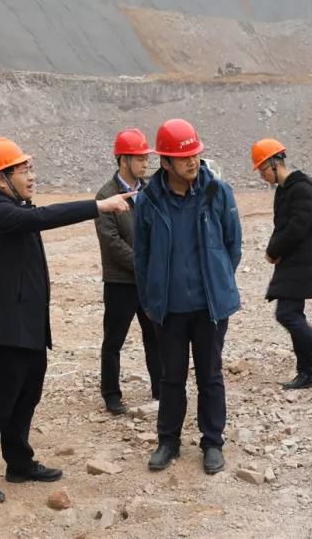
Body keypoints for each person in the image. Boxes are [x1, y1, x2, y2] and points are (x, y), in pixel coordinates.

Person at [0, 137, 134, 504]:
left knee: (27, 396)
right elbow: (44, 218)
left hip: (28, 325)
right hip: (5, 329)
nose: (32, 177)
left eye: (31, 169)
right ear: (0, 178)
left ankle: (19, 462)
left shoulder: (16, 207)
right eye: (23, 171)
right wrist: (98, 206)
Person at [133, 119, 242, 476]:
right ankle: (168, 442)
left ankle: (212, 442)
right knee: (171, 378)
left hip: (210, 307)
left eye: (195, 154)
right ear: (165, 162)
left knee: (210, 376)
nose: (193, 162)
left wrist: (218, 281)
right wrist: (151, 299)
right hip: (169, 309)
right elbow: (141, 256)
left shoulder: (218, 192)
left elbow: (233, 245)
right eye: (184, 157)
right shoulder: (149, 200)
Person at [251, 138, 312, 390]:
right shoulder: (284, 190)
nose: (262, 176)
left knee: (286, 314)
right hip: (291, 262)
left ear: (274, 163)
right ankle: (306, 371)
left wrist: (273, 251)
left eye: (262, 170)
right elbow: (281, 227)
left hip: (301, 263)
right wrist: (273, 251)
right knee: (293, 314)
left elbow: (295, 229)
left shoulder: (302, 188)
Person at [94, 128, 161, 415]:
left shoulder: (151, 192)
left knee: (155, 336)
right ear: (124, 160)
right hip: (120, 282)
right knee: (114, 340)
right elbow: (111, 242)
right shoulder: (106, 195)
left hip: (148, 282)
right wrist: (144, 264)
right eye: (140, 159)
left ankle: (160, 388)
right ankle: (111, 395)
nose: (146, 164)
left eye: (146, 158)